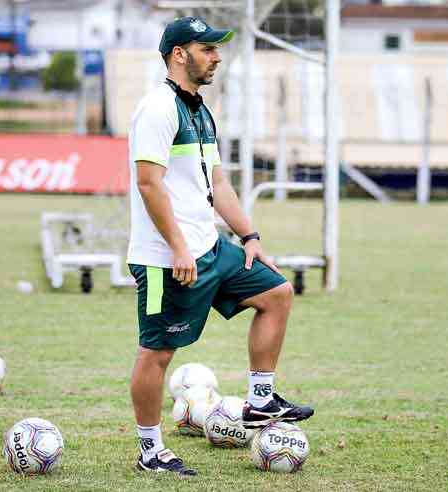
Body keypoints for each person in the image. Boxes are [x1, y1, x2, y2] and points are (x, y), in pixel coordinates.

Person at [127, 16, 314, 476]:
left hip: (210, 247)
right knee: (157, 353)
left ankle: (260, 400)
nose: (217, 56)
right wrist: (177, 247)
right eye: (206, 48)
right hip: (165, 259)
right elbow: (150, 185)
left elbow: (217, 182)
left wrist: (249, 236)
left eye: (216, 48)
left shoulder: (200, 109)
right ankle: (151, 450)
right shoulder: (157, 108)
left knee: (276, 293)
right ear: (179, 54)